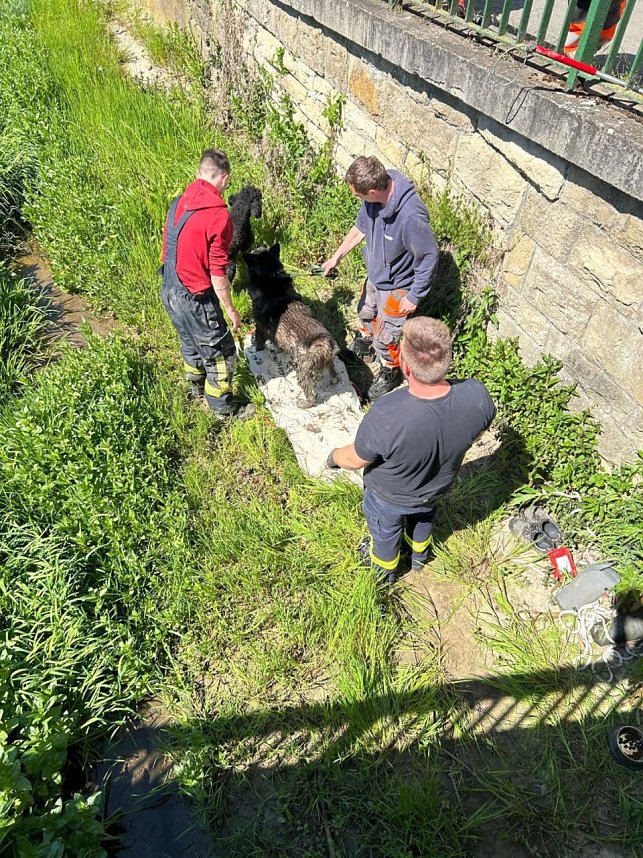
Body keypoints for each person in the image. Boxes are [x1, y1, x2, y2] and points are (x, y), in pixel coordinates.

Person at [326, 316, 496, 583]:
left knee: (385, 534)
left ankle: (384, 571)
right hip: (434, 490)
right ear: (446, 359)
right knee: (423, 518)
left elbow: (355, 459)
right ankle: (419, 558)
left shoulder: (387, 413)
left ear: (405, 366)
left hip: (388, 498)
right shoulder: (477, 395)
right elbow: (476, 434)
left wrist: (333, 457)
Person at [321, 156, 440, 400]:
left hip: (399, 286)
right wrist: (336, 257)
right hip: (377, 276)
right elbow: (360, 228)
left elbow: (429, 256)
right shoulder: (372, 202)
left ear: (373, 191)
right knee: (366, 312)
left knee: (388, 336)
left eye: (359, 195)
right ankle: (364, 346)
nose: (357, 199)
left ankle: (390, 370)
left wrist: (415, 295)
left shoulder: (410, 217)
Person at [160, 148, 241, 416]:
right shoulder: (218, 216)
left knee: (188, 338)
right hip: (194, 296)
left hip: (169, 287)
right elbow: (218, 271)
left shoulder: (177, 203)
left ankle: (194, 383)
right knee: (221, 351)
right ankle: (221, 406)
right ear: (224, 179)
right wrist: (229, 308)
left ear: (199, 174)